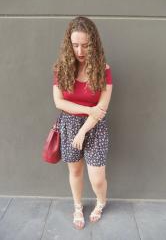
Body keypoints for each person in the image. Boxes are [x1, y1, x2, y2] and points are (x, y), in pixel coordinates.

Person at [52, 16, 113, 230]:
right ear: (69, 43)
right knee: (75, 171)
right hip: (69, 125)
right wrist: (88, 109)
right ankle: (77, 206)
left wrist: (83, 130)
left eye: (85, 45)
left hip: (95, 127)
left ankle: (101, 202)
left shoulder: (103, 69)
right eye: (75, 45)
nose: (80, 51)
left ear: (93, 44)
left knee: (97, 178)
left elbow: (102, 109)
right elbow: (58, 102)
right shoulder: (62, 68)